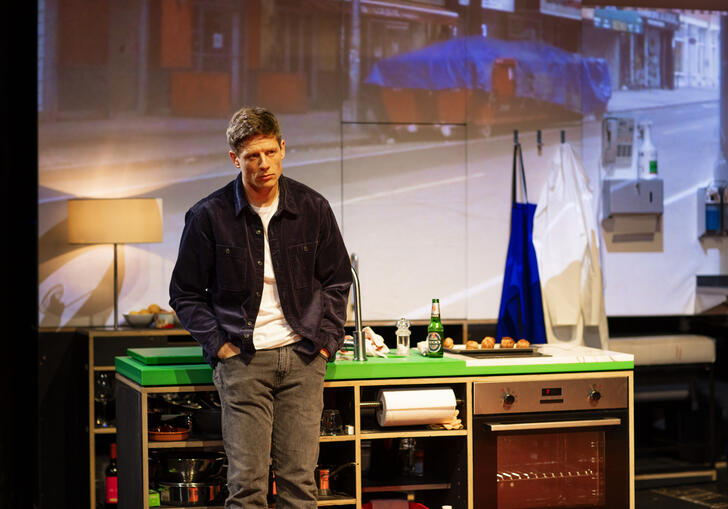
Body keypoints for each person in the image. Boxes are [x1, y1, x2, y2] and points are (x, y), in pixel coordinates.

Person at [169, 106, 352, 508]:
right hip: (243, 360)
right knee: (247, 487)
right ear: (236, 159)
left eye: (270, 152)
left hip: (303, 358)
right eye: (252, 156)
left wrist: (324, 342)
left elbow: (338, 280)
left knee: (300, 486)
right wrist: (221, 347)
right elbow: (184, 293)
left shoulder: (313, 208)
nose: (263, 163)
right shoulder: (208, 216)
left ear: (283, 148)